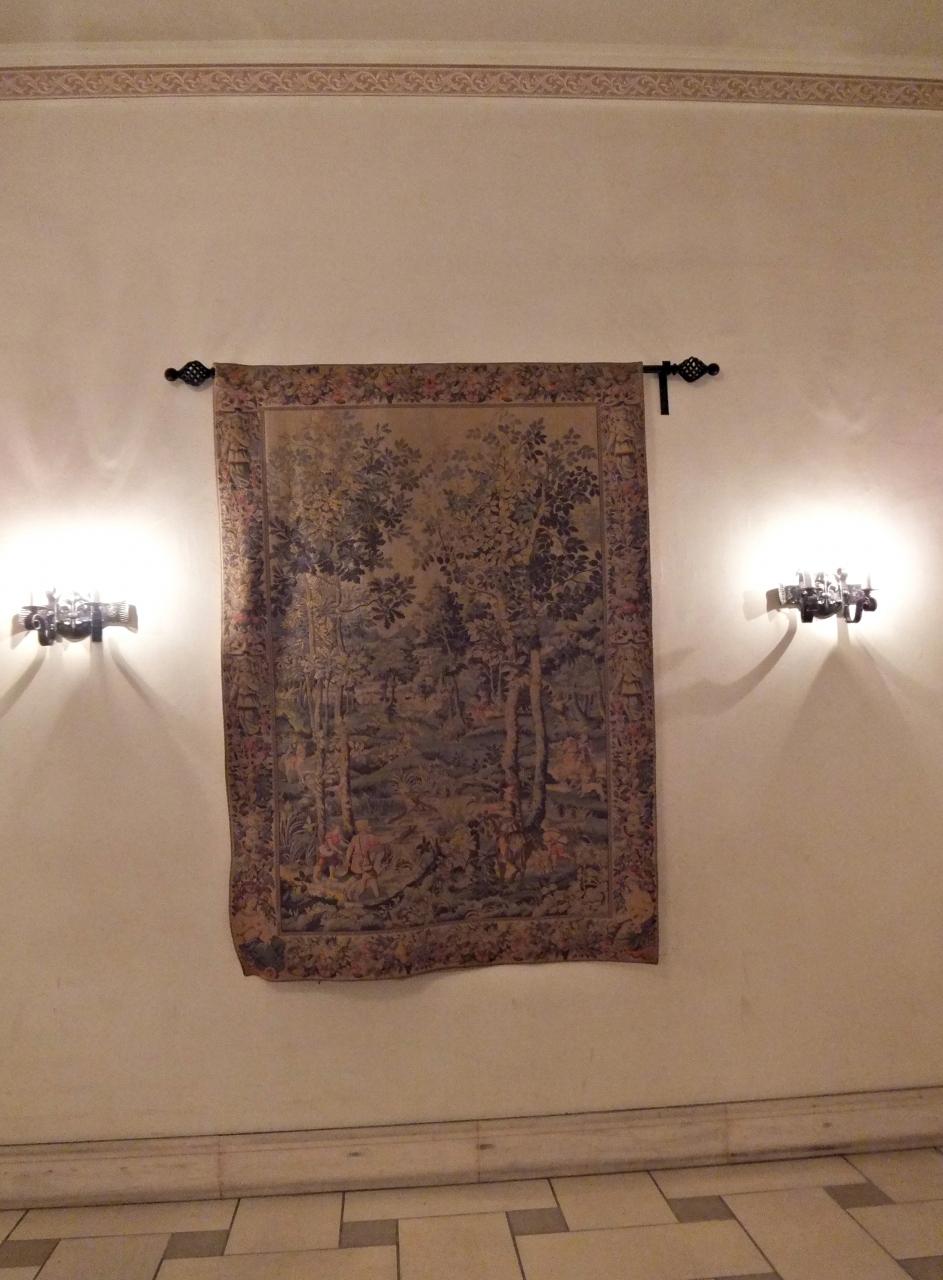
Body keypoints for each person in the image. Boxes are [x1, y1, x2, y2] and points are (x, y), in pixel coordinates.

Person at [345, 819, 383, 898]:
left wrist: (348, 859)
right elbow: (379, 849)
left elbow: (349, 850)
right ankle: (353, 891)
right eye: (367, 826)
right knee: (366, 877)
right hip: (364, 862)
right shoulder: (370, 838)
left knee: (361, 877)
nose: (370, 827)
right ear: (364, 828)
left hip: (359, 862)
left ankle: (349, 889)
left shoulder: (356, 838)